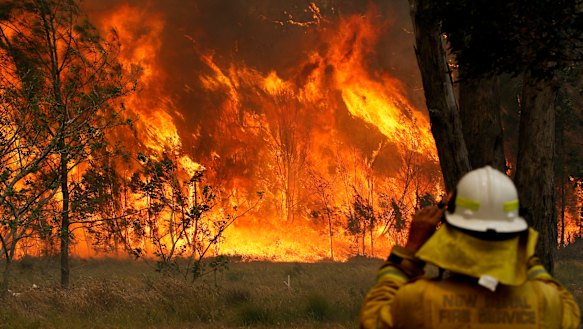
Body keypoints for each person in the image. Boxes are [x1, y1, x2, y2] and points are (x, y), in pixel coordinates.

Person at [360, 165, 581, 329]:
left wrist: (409, 253)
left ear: (451, 231)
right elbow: (557, 295)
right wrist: (520, 248)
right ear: (514, 233)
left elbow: (373, 320)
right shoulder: (549, 303)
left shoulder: (419, 301)